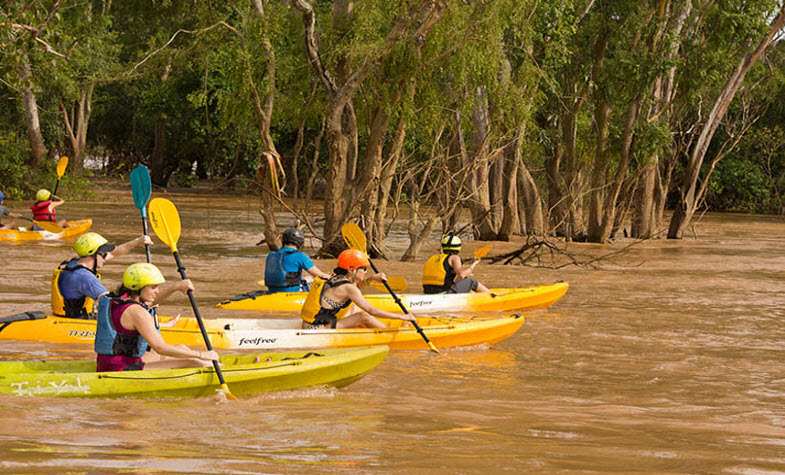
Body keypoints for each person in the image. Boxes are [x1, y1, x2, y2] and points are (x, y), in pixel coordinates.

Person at [94, 262, 219, 372]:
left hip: (109, 363)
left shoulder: (120, 300)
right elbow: (160, 348)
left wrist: (175, 287)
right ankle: (217, 373)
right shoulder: (137, 312)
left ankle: (216, 365)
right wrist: (201, 354)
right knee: (194, 363)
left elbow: (150, 303)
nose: (157, 291)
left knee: (181, 348)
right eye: (153, 287)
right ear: (138, 287)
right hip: (121, 369)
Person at [300, 248, 416, 329]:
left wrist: (371, 279)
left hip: (308, 324)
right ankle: (387, 330)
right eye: (364, 269)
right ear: (351, 269)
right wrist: (403, 316)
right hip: (318, 329)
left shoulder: (332, 276)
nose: (366, 272)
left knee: (354, 308)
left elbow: (352, 288)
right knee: (363, 316)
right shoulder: (349, 288)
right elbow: (372, 311)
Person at [51, 232, 153, 318]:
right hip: (74, 321)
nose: (105, 256)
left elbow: (115, 252)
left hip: (64, 316)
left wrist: (138, 241)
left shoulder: (72, 263)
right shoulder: (84, 277)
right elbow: (111, 303)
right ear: (94, 255)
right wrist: (140, 302)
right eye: (103, 253)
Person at [264, 228, 329, 292]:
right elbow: (320, 275)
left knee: (307, 278)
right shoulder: (300, 256)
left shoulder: (270, 255)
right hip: (291, 292)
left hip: (272, 290)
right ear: (300, 242)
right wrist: (332, 278)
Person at [422, 234, 490, 294]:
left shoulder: (432, 257)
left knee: (462, 280)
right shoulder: (454, 258)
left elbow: (457, 276)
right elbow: (462, 274)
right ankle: (492, 296)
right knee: (471, 281)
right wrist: (473, 265)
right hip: (443, 293)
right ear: (458, 247)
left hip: (427, 291)